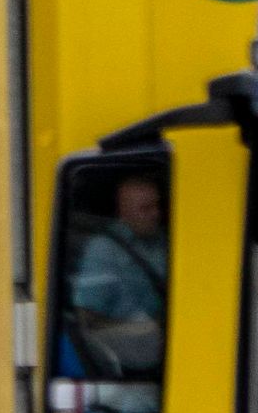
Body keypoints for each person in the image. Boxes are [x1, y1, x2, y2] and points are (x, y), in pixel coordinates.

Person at [58, 160, 172, 388]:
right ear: (123, 212)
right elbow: (86, 318)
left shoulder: (164, 241)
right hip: (129, 365)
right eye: (145, 208)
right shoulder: (105, 250)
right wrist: (133, 329)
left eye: (157, 206)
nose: (155, 214)